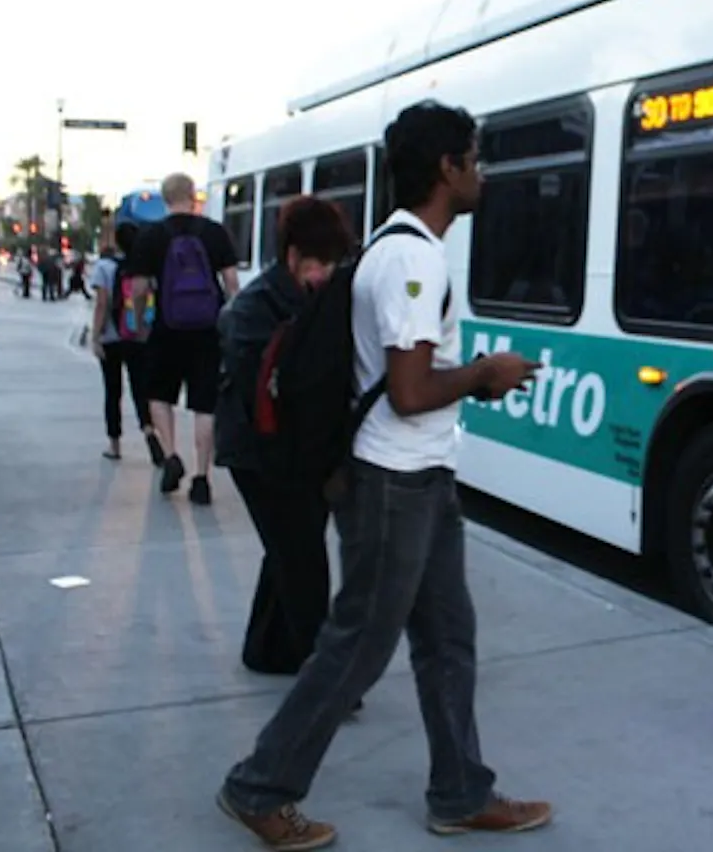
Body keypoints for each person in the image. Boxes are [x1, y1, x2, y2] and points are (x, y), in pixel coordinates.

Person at [217, 101, 550, 850]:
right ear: (447, 168)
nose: (482, 173)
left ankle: (461, 792)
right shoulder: (412, 259)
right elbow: (408, 391)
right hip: (394, 482)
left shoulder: (397, 246)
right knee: (359, 645)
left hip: (423, 476)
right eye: (475, 158)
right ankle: (259, 787)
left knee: (448, 638)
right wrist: (484, 374)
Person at [215, 195, 357, 676]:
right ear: (293, 256)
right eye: (320, 263)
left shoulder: (313, 299)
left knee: (289, 550)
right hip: (260, 452)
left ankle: (266, 650)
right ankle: (328, 677)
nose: (327, 274)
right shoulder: (253, 311)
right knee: (303, 561)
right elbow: (267, 392)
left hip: (298, 449)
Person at [128, 172, 240, 505]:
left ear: (165, 198)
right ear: (193, 195)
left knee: (158, 395)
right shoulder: (214, 232)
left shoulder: (151, 236)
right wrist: (231, 319)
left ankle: (171, 455)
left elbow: (138, 288)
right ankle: (202, 477)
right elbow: (231, 282)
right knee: (205, 403)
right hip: (207, 330)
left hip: (167, 328)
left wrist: (140, 323)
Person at [89, 222, 162, 464]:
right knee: (141, 389)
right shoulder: (144, 266)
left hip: (111, 338)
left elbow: (102, 303)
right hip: (137, 335)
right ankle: (150, 432)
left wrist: (95, 336)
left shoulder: (104, 267)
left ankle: (115, 445)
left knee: (113, 391)